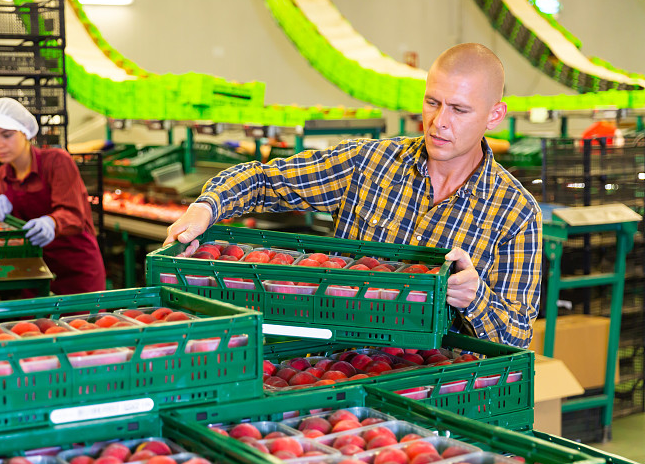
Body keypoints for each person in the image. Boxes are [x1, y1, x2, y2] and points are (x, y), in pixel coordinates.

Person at [164, 43, 542, 349]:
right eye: (432, 102)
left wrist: (474, 296)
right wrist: (205, 206)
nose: (439, 121)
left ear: (495, 115)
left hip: (431, 383)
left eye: (459, 109)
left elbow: (518, 334)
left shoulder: (516, 212)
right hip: (336, 361)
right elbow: (267, 179)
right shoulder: (369, 163)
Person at [0, 97, 106, 295]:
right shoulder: (2, 175)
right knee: (35, 325)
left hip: (76, 269)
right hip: (35, 268)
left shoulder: (56, 162)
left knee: (82, 324)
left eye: (7, 135)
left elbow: (75, 215)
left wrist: (52, 222)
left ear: (25, 133)